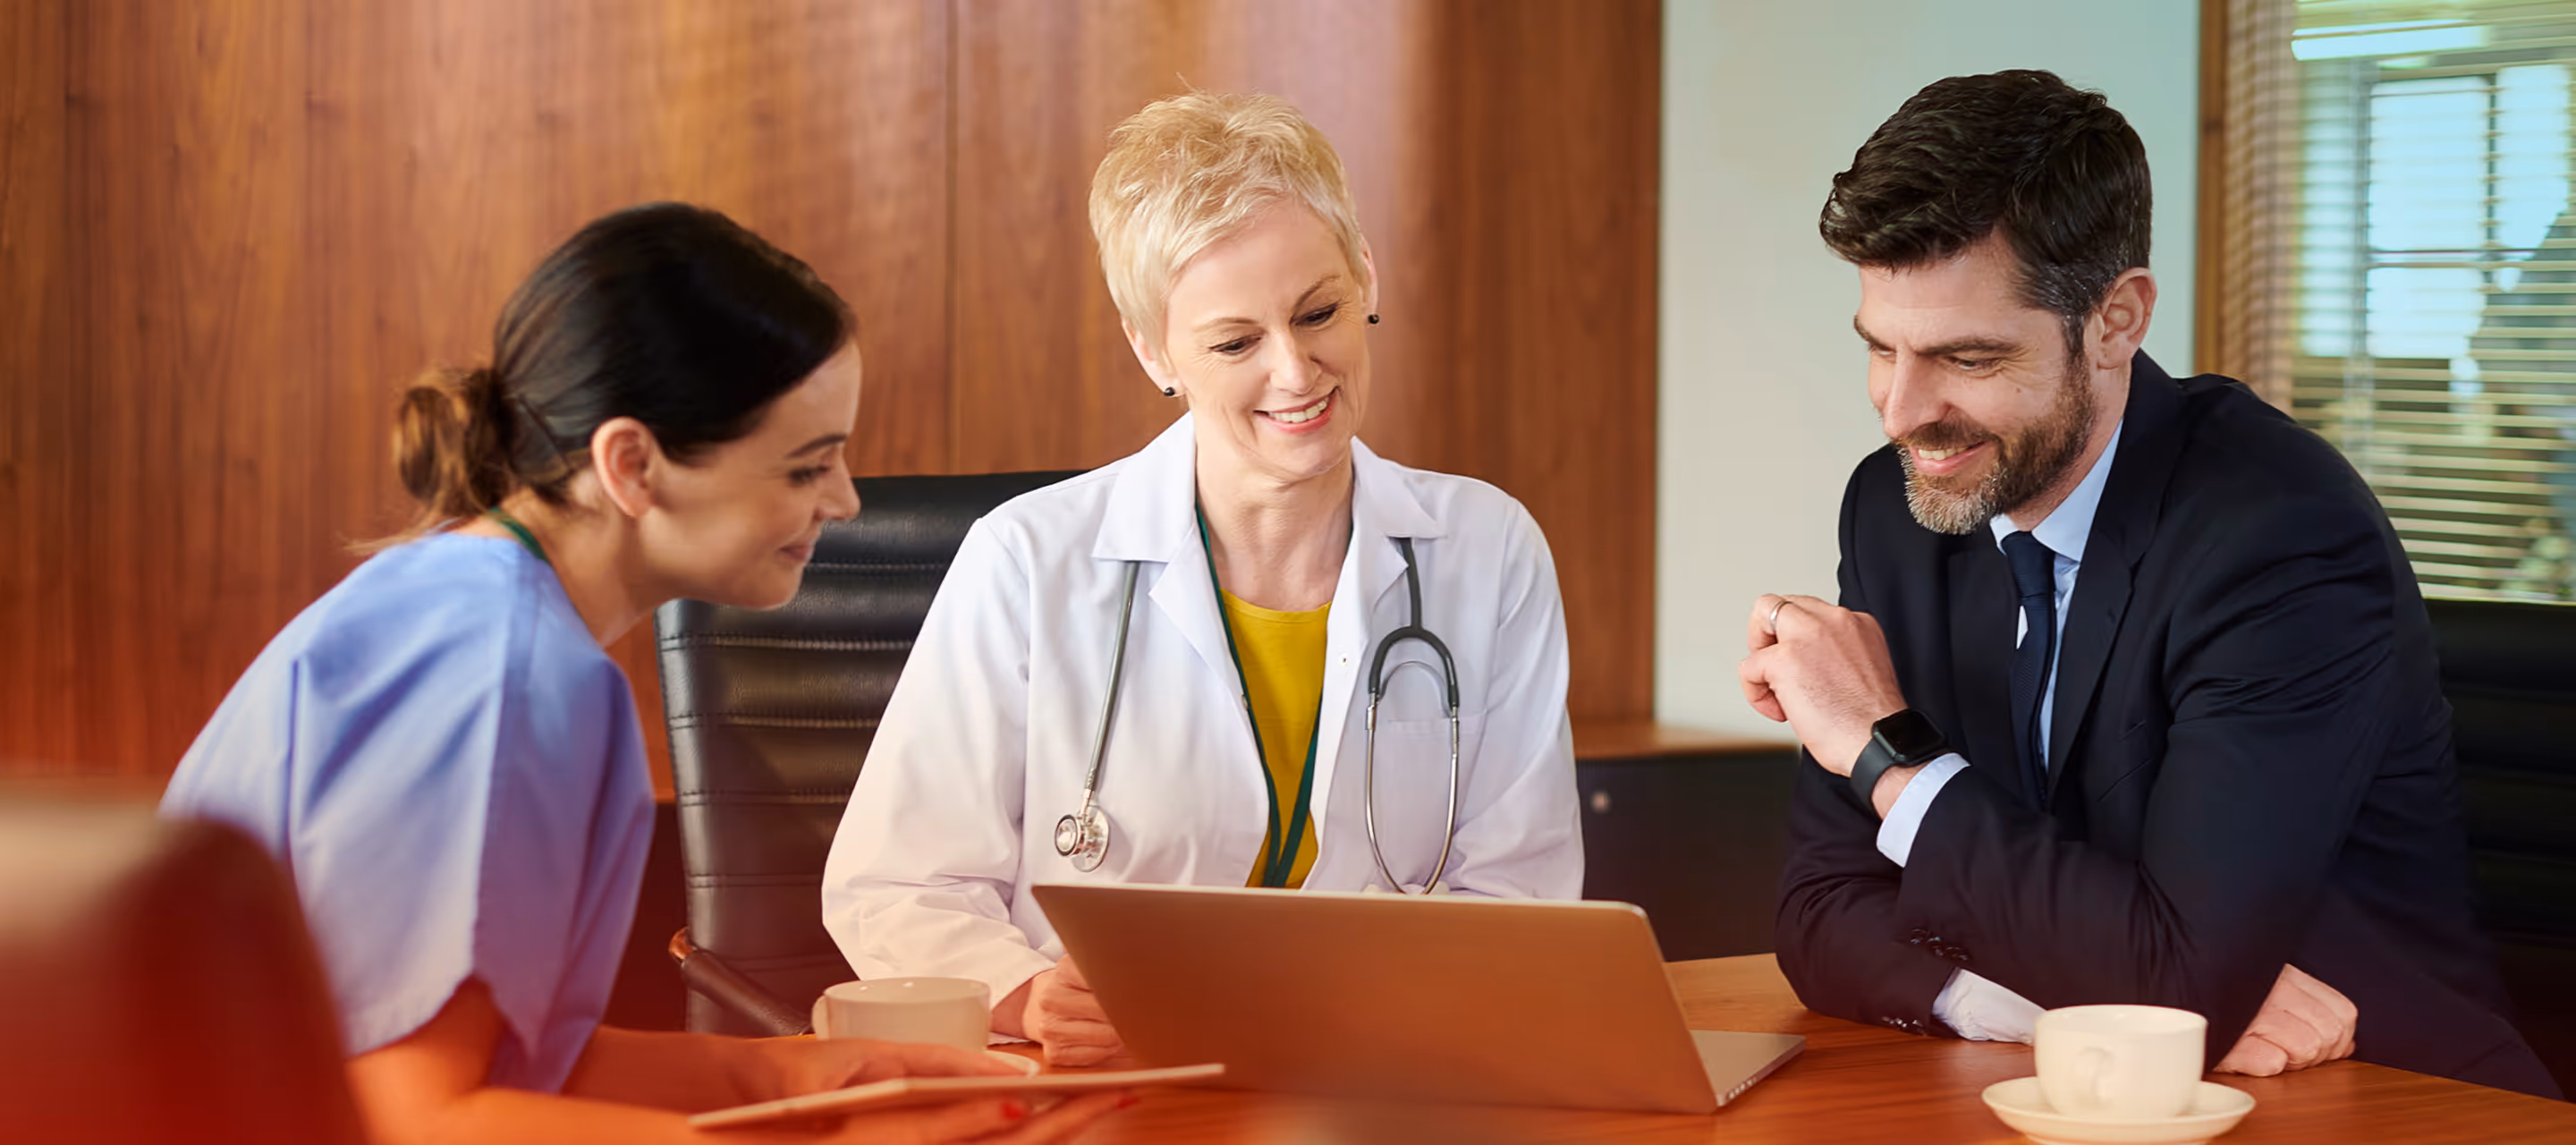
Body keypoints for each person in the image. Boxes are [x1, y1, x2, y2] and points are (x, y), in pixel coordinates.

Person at [161, 203, 1131, 1142]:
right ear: (631, 464)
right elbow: (418, 1119)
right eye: (805, 466)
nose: (843, 500)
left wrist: (793, 1075)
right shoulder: (513, 680)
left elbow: (498, 1066)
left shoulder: (445, 607)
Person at [1743, 71, 2557, 1098]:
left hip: (2376, 1094)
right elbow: (1820, 913)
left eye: (1966, 356)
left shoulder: (2279, 537)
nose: (1903, 411)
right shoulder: (1901, 506)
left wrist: (1886, 753)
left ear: (2117, 321)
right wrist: (2057, 999)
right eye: (1880, 349)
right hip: (2103, 1088)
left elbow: (2177, 976)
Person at [822, 91, 1585, 1066]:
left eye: (1320, 312)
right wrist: (1027, 994)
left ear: (1367, 278)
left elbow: (1522, 893)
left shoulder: (1486, 549)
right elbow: (895, 883)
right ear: (1155, 350)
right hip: (1109, 1086)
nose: (1296, 371)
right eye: (1234, 342)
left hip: (1378, 1076)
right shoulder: (1026, 560)